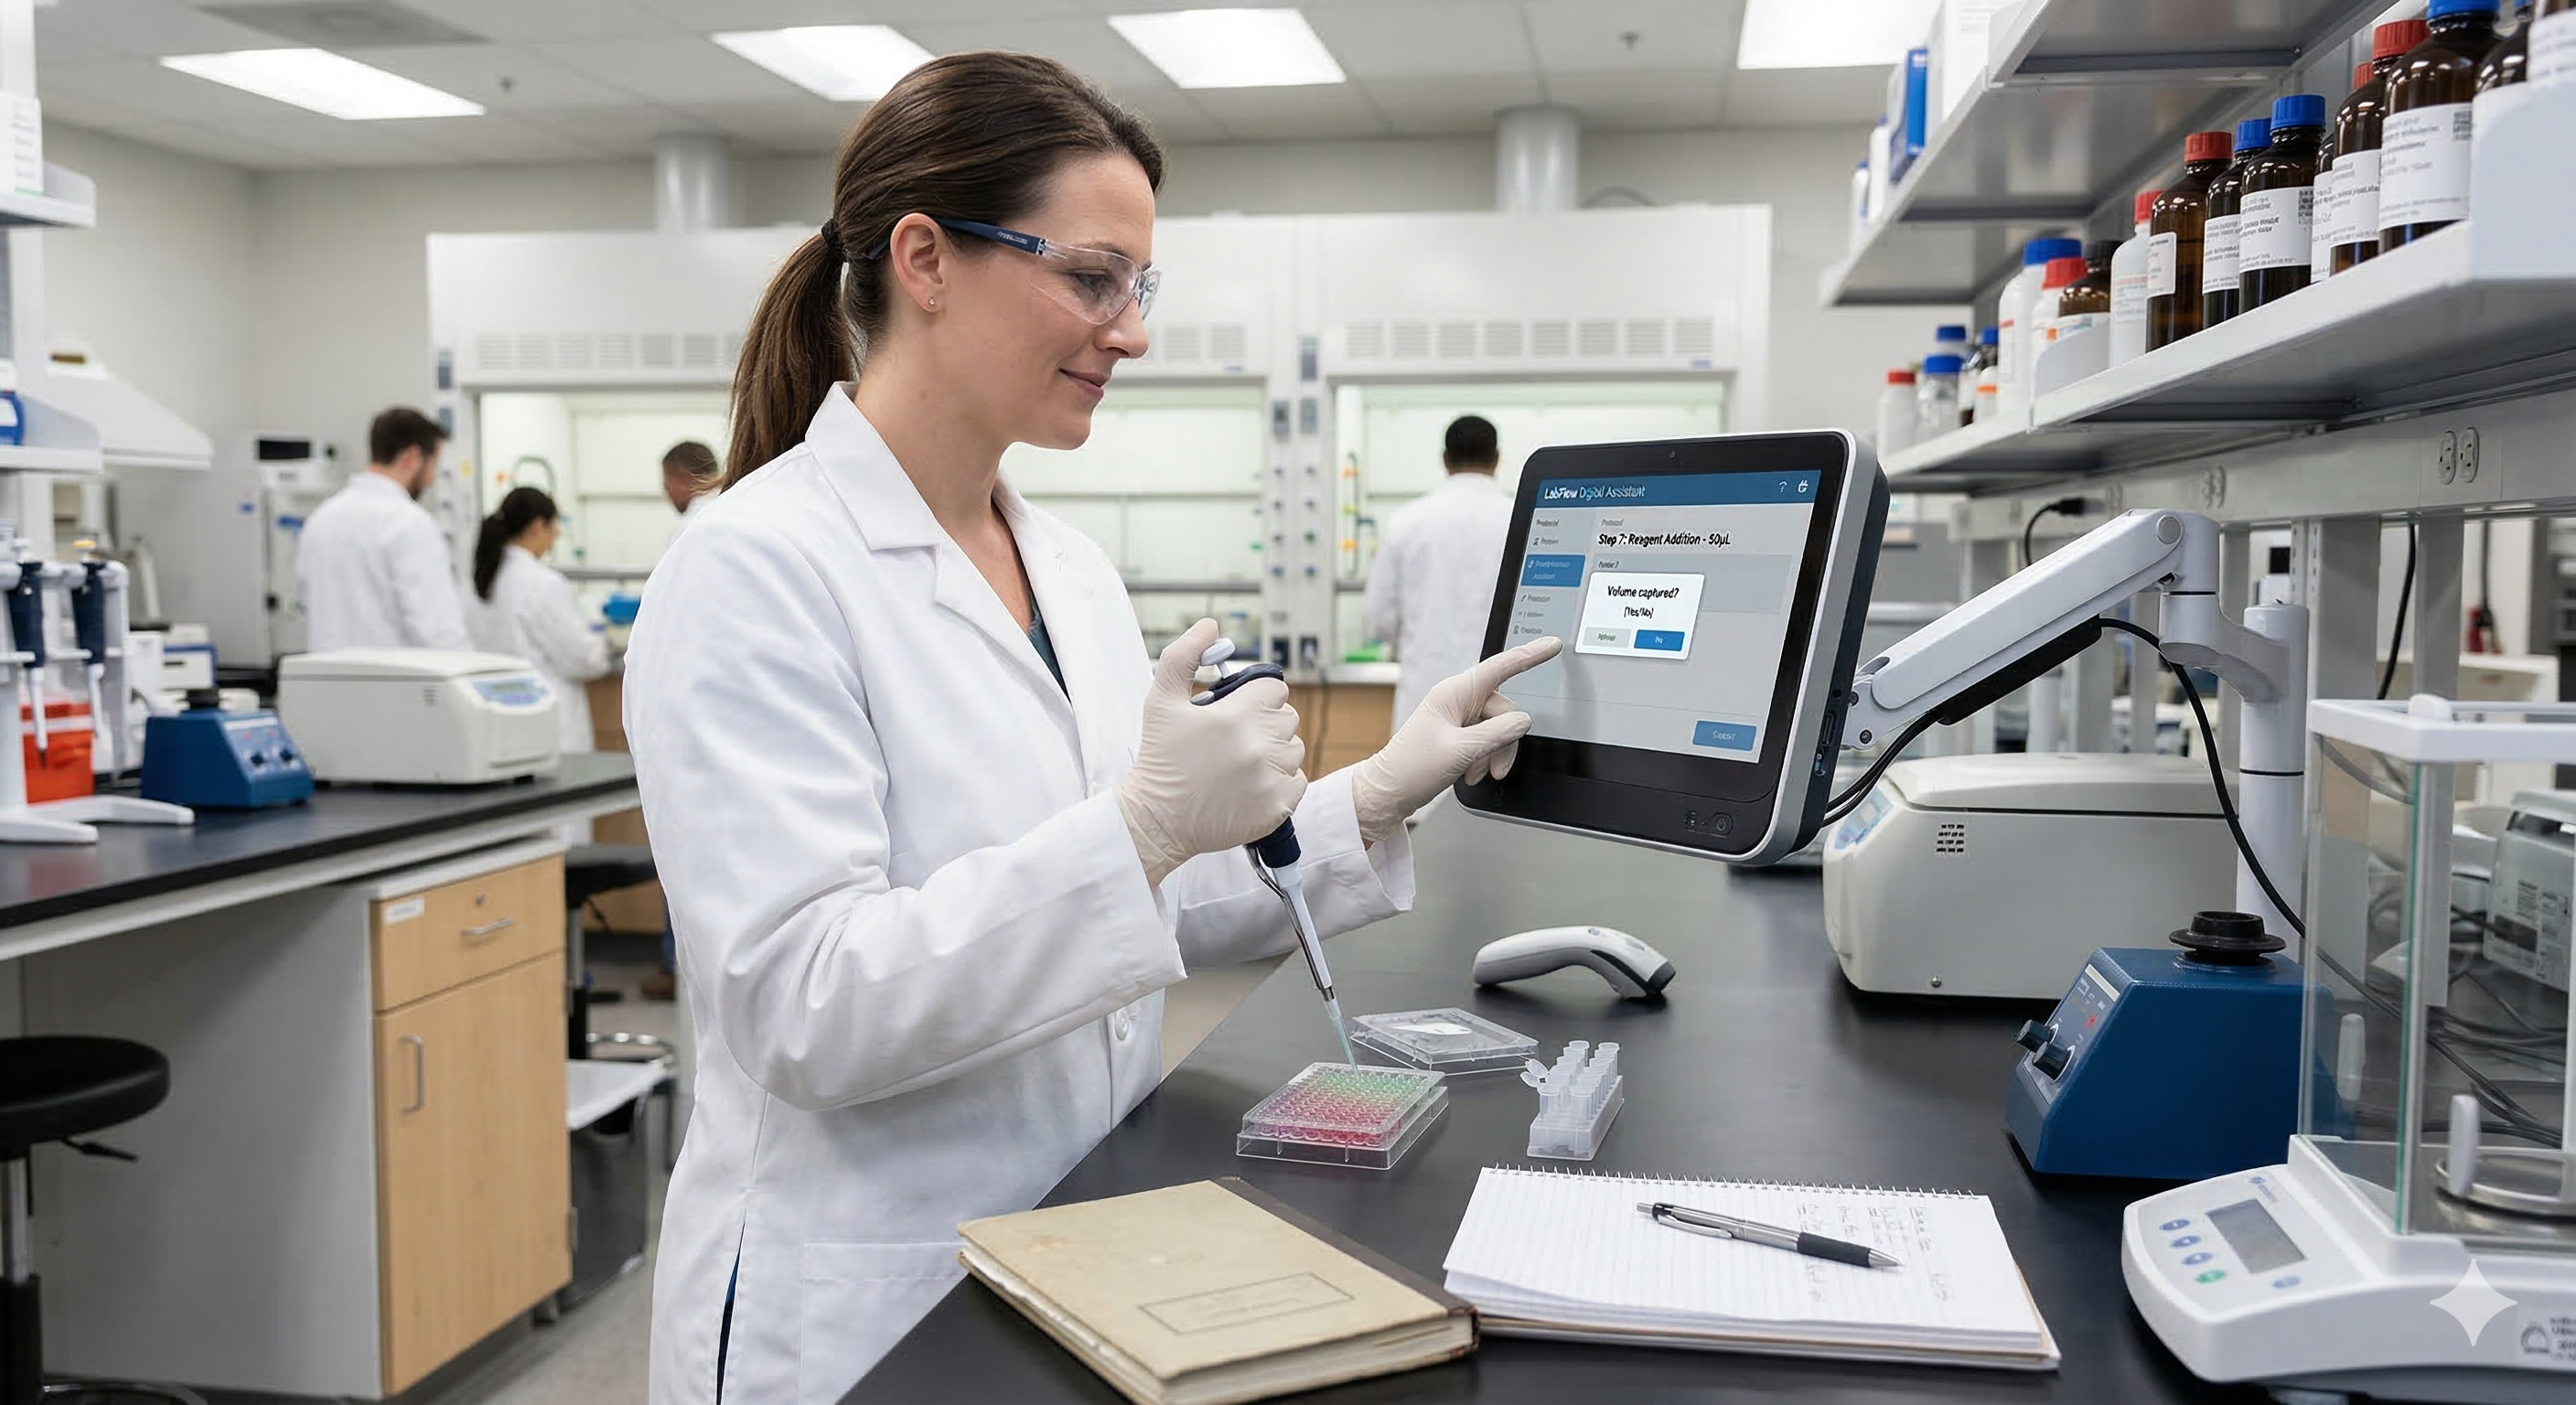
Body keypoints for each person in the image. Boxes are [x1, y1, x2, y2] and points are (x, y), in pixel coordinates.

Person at [622, 53, 1559, 1404]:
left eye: (1140, 286)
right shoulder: (755, 566)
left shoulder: (1068, 570)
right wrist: (1140, 829)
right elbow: (804, 1007)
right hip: (859, 1300)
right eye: (1092, 276)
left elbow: (1147, 906)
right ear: (926, 258)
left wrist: (1376, 794)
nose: (1131, 330)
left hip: (1077, 1241)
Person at [1362, 413, 1516, 726]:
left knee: (1423, 773)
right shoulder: (1521, 517)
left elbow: (1378, 616)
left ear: (1445, 461)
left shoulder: (1407, 521)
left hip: (1424, 698)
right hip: (1500, 699)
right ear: (1497, 459)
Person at [296, 407, 473, 653]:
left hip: (328, 685)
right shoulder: (410, 524)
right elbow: (439, 633)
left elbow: (305, 602)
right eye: (432, 465)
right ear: (412, 457)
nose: (431, 480)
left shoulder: (320, 520)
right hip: (396, 687)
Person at [466, 487, 611, 755]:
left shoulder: (479, 583)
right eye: (554, 525)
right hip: (549, 727)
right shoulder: (542, 584)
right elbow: (583, 658)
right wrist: (600, 640)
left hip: (496, 724)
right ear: (536, 526)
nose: (556, 535)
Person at [662, 439, 716, 549]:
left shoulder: (688, 529)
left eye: (667, 486)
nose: (667, 497)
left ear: (684, 478)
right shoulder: (738, 507)